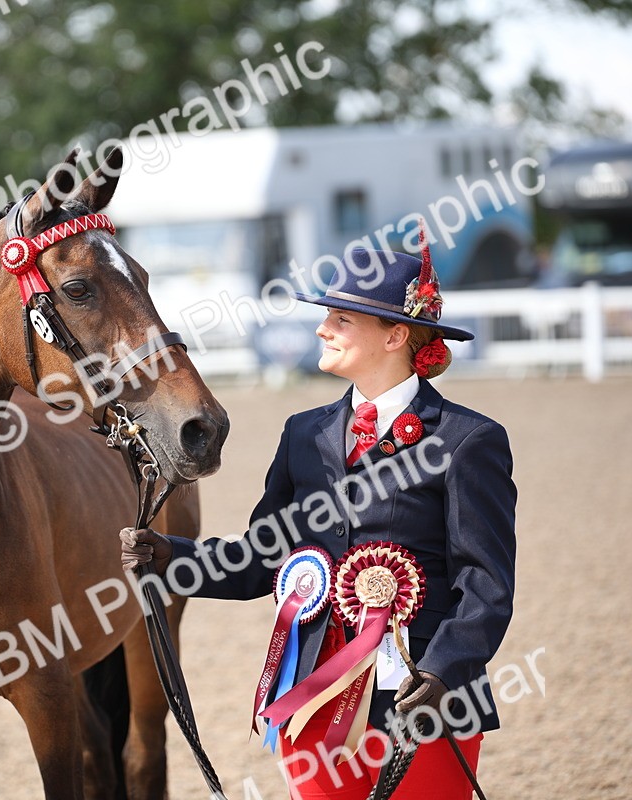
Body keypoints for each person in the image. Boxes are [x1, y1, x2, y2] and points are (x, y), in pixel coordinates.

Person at [121, 237, 516, 800]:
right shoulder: (302, 434)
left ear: (395, 334)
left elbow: (487, 584)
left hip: (423, 692)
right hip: (312, 688)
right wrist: (175, 558)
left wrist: (442, 671)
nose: (321, 329)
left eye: (341, 318)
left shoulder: (469, 441)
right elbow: (265, 555)